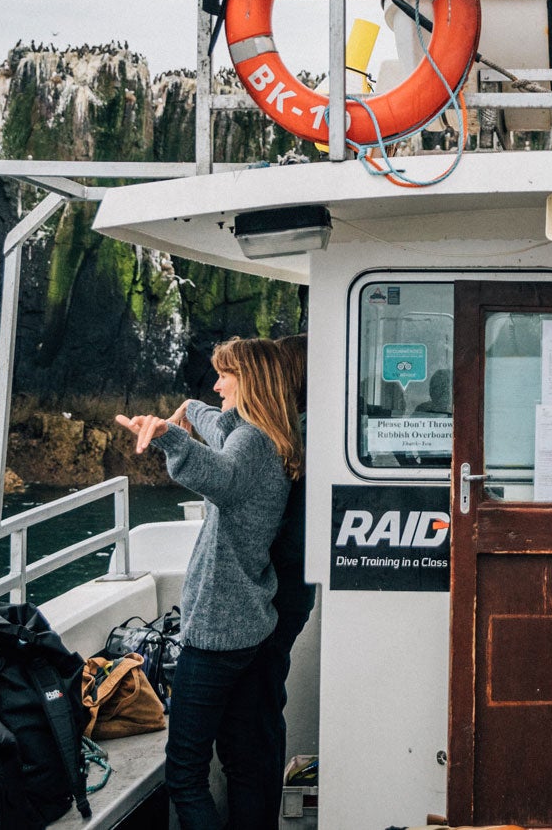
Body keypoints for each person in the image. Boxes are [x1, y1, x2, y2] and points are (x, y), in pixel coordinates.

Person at [116, 337, 300, 830]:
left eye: (225, 376)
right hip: (247, 628)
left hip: (216, 634)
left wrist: (166, 436)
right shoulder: (268, 436)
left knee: (186, 777)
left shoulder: (252, 445)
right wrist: (188, 410)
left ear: (252, 382)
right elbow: (223, 429)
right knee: (242, 762)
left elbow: (220, 472)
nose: (216, 384)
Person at [213, 333, 316, 830]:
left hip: (278, 596)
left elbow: (286, 537)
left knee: (251, 723)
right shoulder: (299, 434)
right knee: (259, 712)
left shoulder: (293, 439)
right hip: (289, 594)